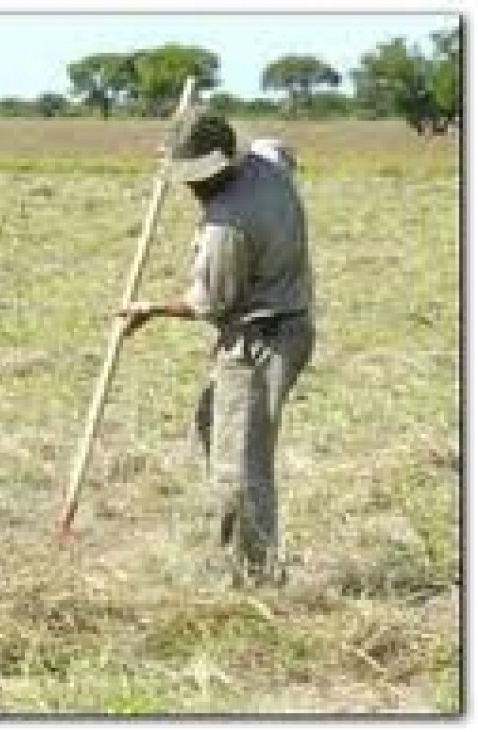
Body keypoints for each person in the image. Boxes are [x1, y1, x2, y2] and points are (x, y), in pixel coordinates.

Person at [119, 110, 315, 587]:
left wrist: (150, 308)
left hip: (260, 340)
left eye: (195, 177)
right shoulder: (267, 161)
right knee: (214, 424)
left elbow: (210, 305)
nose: (190, 187)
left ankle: (255, 578)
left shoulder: (227, 226)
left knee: (238, 468)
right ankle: (250, 558)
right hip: (293, 322)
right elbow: (280, 146)